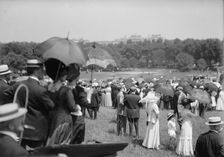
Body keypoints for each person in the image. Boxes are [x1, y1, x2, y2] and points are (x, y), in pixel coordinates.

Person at [4, 59, 55, 148]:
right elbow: (52, 107)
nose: (44, 72)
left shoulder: (17, 85)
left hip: (20, 130)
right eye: (42, 70)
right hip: (37, 132)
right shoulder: (41, 90)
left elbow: (5, 94)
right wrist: (51, 93)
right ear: (36, 71)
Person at [47, 63, 79, 145]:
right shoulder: (66, 90)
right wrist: (77, 107)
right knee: (61, 144)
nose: (67, 75)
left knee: (51, 141)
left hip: (51, 118)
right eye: (65, 73)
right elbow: (72, 107)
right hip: (63, 121)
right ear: (62, 75)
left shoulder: (48, 88)